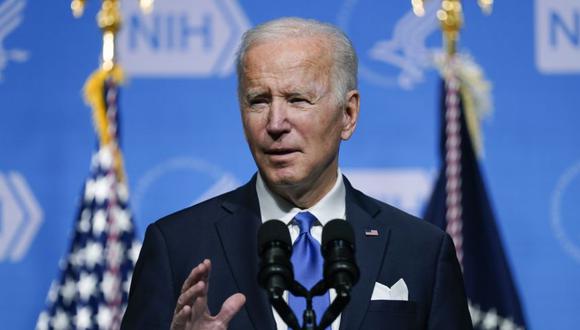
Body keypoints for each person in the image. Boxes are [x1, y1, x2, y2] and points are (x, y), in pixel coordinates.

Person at [121, 17, 472, 330]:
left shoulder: (421, 250)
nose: (275, 124)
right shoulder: (176, 247)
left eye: (298, 100)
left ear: (348, 114)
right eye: (258, 100)